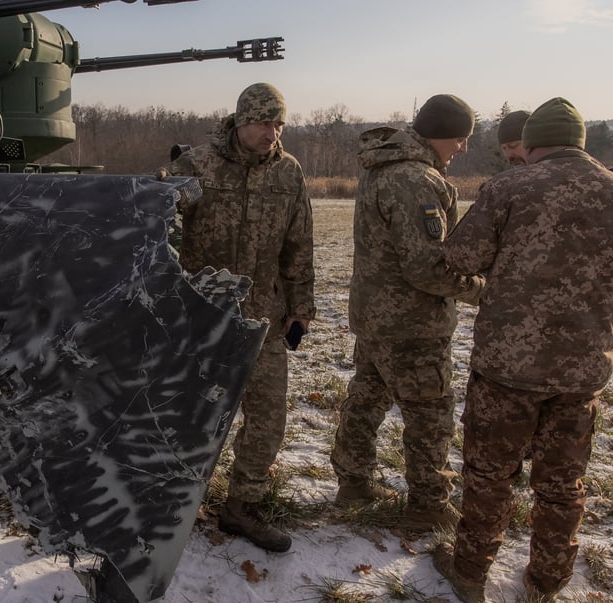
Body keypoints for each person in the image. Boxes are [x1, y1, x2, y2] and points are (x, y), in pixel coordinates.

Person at [433, 97, 613, 603]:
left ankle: (469, 573)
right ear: (578, 141)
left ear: (531, 142)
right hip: (581, 371)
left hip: (508, 366)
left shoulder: (509, 187)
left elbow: (461, 256)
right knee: (563, 484)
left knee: (490, 474)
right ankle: (547, 581)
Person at [159, 82, 315, 553]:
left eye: (279, 123)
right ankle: (169, 502)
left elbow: (299, 246)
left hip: (262, 318)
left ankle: (241, 507)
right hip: (201, 317)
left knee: (268, 419)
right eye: (265, 122)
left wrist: (301, 309)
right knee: (186, 414)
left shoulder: (289, 173)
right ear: (242, 120)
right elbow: (159, 227)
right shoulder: (197, 165)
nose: (273, 132)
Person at [329, 94, 485, 532]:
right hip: (411, 323)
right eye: (461, 139)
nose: (462, 149)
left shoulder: (384, 168)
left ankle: (353, 481)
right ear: (445, 135)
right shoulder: (415, 179)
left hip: (377, 317)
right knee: (430, 414)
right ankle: (430, 505)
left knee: (367, 397)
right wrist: (477, 290)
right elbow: (426, 267)